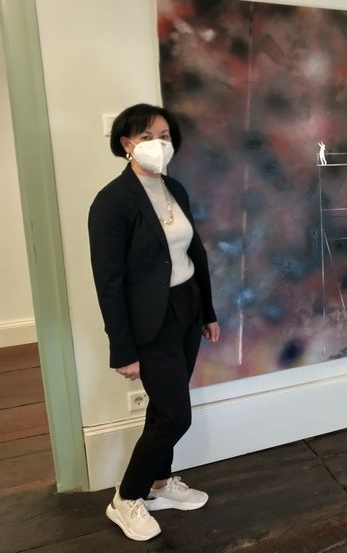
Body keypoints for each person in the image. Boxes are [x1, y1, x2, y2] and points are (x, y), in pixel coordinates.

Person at [88, 103, 221, 541]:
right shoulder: (111, 202)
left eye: (164, 136)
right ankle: (126, 497)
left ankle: (159, 483)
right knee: (175, 416)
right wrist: (122, 349)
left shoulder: (174, 189)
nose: (158, 144)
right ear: (126, 144)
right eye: (147, 137)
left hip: (186, 307)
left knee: (165, 408)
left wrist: (207, 312)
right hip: (150, 320)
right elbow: (108, 283)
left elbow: (194, 253)